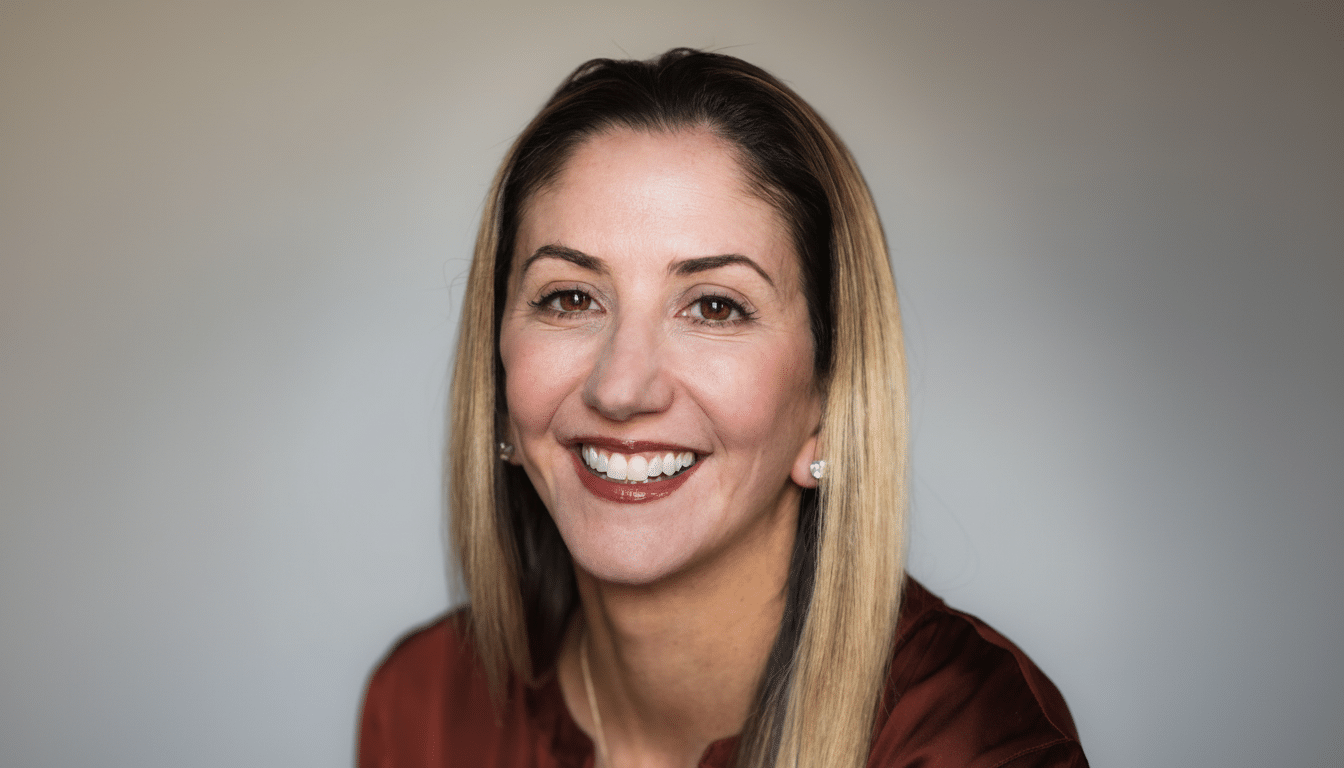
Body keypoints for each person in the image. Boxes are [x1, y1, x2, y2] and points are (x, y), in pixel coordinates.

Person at [358, 49, 1087, 768]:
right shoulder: (423, 703)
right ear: (499, 369)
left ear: (829, 401)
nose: (621, 388)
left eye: (714, 307)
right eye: (571, 298)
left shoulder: (973, 744)